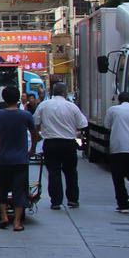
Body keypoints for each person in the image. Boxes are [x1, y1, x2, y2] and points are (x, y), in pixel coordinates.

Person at [0, 85, 40, 231]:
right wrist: (32, 149)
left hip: (3, 160)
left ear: (4, 99)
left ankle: (4, 216)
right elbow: (34, 134)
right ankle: (17, 223)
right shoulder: (25, 115)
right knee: (19, 190)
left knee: (1, 189)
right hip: (21, 160)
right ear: (19, 97)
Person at [35, 81, 88, 210]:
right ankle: (73, 199)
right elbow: (83, 124)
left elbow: (35, 121)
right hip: (68, 143)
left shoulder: (44, 105)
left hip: (51, 142)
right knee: (71, 172)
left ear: (52, 93)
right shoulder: (72, 107)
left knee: (53, 171)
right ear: (65, 93)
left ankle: (56, 201)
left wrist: (38, 134)